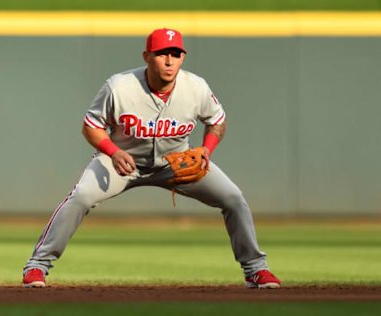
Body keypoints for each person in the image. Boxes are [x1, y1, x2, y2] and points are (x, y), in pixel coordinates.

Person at [22, 28, 281, 289]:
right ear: (147, 56)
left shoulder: (196, 87)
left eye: (175, 54)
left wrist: (206, 150)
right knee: (80, 197)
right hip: (121, 162)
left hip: (176, 163)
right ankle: (37, 266)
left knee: (233, 198)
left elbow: (217, 121)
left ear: (182, 58)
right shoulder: (119, 87)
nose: (169, 61)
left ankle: (256, 270)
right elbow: (91, 126)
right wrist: (114, 151)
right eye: (162, 54)